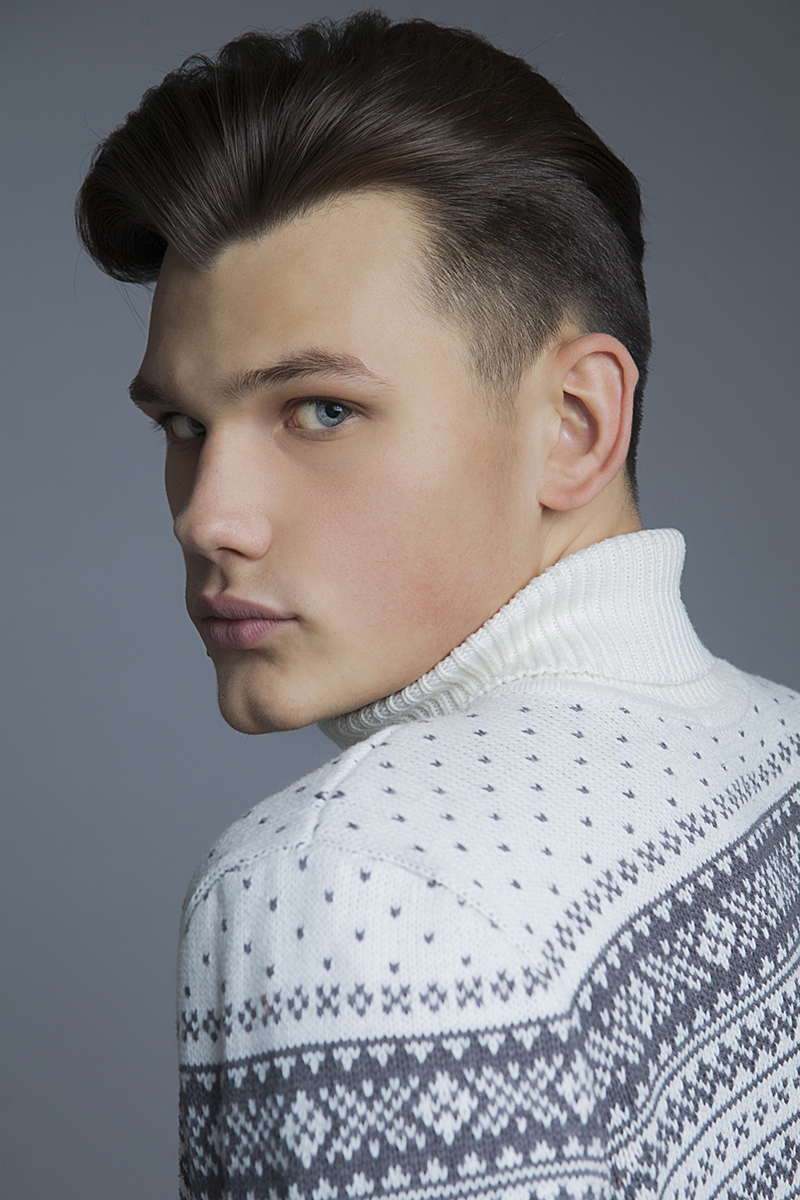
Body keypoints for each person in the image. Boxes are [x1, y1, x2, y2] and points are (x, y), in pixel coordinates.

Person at [76, 11, 800, 1199]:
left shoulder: (349, 883)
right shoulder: (779, 755)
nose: (206, 517)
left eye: (319, 410)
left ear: (574, 424)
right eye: (184, 425)